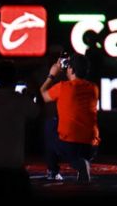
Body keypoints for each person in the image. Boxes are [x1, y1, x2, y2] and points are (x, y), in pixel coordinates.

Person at [40, 54, 100, 182]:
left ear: (71, 70)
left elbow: (43, 95)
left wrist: (52, 75)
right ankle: (82, 163)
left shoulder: (63, 87)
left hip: (70, 145)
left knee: (50, 125)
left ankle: (53, 171)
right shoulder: (94, 88)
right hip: (91, 146)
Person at [0, 60, 39, 196]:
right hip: (14, 169)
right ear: (15, 79)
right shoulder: (21, 100)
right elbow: (38, 113)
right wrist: (35, 91)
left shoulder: (21, 100)